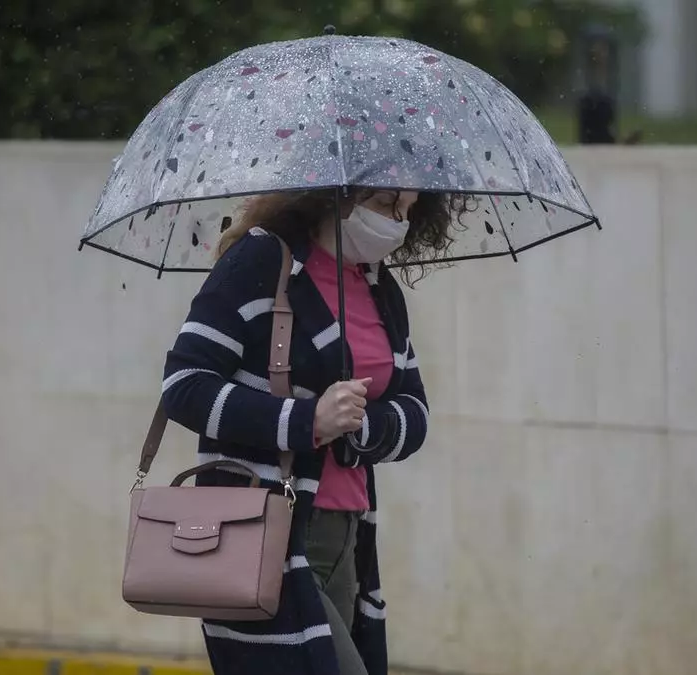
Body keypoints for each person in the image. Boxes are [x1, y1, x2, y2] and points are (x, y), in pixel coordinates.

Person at [159, 188, 469, 675]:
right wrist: (306, 422)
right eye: (388, 205)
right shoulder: (261, 262)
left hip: (347, 532)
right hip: (263, 530)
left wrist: (364, 424)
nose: (398, 223)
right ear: (340, 193)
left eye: (409, 212)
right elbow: (184, 386)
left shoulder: (379, 290)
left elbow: (416, 411)